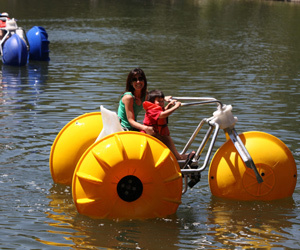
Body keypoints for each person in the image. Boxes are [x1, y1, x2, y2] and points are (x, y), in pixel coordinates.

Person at [142, 89, 188, 160]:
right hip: (151, 135)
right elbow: (162, 115)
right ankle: (180, 158)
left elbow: (163, 111)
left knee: (170, 147)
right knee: (170, 145)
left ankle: (179, 157)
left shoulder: (156, 108)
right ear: (152, 102)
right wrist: (175, 107)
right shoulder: (151, 110)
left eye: (162, 101)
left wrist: (169, 105)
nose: (161, 103)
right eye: (159, 101)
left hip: (159, 134)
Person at [117, 68, 155, 135]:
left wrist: (164, 99)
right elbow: (131, 121)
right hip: (124, 129)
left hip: (134, 127)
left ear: (144, 80)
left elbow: (154, 108)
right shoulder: (128, 97)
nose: (138, 82)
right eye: (134, 80)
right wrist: (145, 128)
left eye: (140, 79)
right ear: (131, 83)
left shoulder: (144, 95)